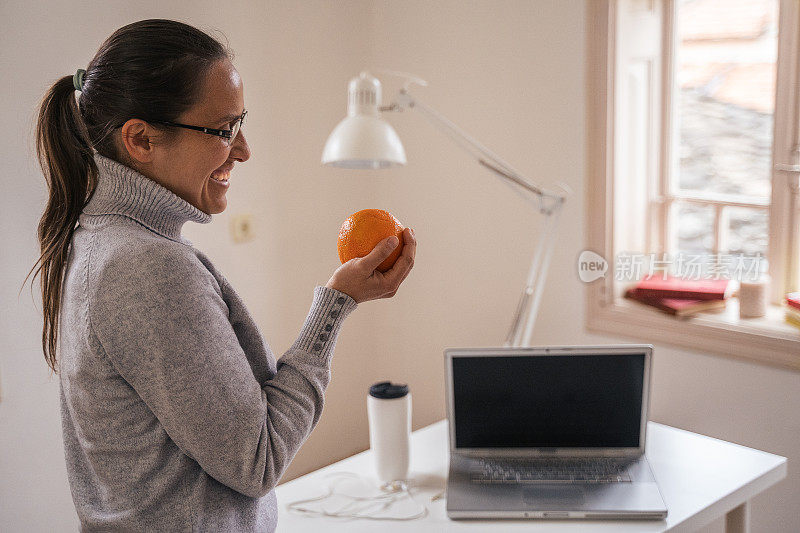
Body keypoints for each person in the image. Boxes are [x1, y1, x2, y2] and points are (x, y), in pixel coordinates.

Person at [23, 18, 416, 532]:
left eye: (241, 121)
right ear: (140, 139)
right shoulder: (147, 268)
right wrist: (336, 305)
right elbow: (258, 458)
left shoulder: (100, 240)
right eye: (223, 128)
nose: (244, 148)